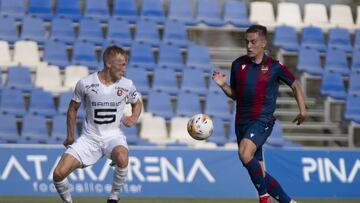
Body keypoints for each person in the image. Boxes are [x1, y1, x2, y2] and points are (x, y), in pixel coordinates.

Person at [212, 25, 306, 203]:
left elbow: (294, 85)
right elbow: (236, 96)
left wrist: (303, 110)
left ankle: (264, 199)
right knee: (258, 171)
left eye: (253, 42)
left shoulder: (274, 66)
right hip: (241, 122)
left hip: (262, 120)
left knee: (245, 153)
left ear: (263, 42)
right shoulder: (238, 64)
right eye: (246, 42)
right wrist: (223, 85)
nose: (249, 46)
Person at [53, 45, 142, 203]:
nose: (124, 69)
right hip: (89, 138)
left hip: (113, 137)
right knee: (58, 174)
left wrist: (133, 117)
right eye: (121, 64)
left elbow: (137, 103)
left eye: (125, 65)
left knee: (122, 157)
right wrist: (70, 136)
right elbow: (72, 109)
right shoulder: (85, 84)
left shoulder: (127, 84)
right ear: (108, 63)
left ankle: (113, 197)